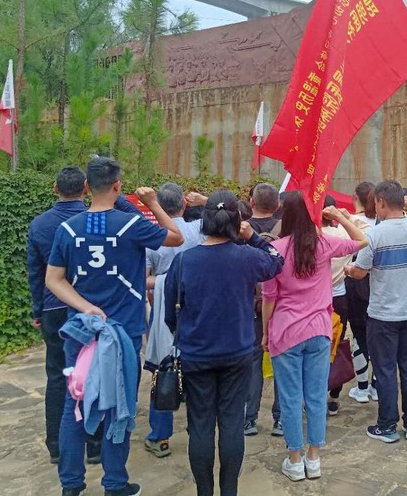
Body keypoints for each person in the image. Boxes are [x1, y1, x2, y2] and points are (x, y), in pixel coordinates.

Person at [46, 157, 184, 496]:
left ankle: (71, 484)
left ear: (85, 188)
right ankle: (115, 483)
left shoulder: (68, 229)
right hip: (123, 334)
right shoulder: (132, 225)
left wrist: (85, 306)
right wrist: (152, 202)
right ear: (118, 186)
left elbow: (53, 279)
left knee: (74, 405)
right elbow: (176, 237)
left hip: (81, 332)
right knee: (119, 405)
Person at [164, 190, 284, 495]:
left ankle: (204, 491)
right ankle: (229, 490)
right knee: (231, 423)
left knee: (200, 424)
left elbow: (169, 314)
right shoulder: (247, 257)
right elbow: (277, 260)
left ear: (205, 220)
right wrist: (252, 237)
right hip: (237, 351)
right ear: (237, 220)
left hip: (196, 353)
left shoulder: (184, 261)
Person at [27, 166, 140, 466]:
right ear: (86, 188)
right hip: (94, 309)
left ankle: (57, 447)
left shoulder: (40, 224)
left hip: (55, 308)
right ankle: (96, 446)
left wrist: (38, 309)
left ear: (55, 188)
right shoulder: (103, 220)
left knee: (61, 378)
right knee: (102, 375)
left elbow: (36, 272)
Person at [262, 192, 368, 481]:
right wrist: (338, 216)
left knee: (290, 397)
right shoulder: (324, 244)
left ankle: (295, 460)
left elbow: (269, 297)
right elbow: (362, 240)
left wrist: (266, 333)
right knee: (317, 395)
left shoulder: (275, 249)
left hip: (285, 332)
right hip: (320, 330)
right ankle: (314, 458)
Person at [345, 181, 407, 443]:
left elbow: (360, 272)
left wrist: (349, 269)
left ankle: (387, 425)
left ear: (381, 202)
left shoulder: (374, 236)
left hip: (383, 315)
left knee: (385, 369)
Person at [143, 183, 206, 459]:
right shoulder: (199, 229)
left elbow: (142, 279)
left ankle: (160, 436)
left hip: (162, 308)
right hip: (197, 304)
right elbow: (234, 211)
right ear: (184, 203)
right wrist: (204, 200)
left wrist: (163, 281)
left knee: (163, 368)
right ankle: (198, 431)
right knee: (196, 366)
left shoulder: (151, 237)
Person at [321, 195, 373, 415]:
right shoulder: (342, 234)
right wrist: (344, 217)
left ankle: (313, 395)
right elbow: (366, 232)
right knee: (336, 346)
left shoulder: (309, 236)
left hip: (314, 299)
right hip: (339, 297)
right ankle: (333, 396)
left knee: (314, 348)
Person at [345, 181, 378, 403]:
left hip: (355, 281)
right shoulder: (382, 223)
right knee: (377, 336)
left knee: (359, 334)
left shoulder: (348, 223)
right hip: (377, 282)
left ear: (355, 196)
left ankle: (362, 386)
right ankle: (376, 386)